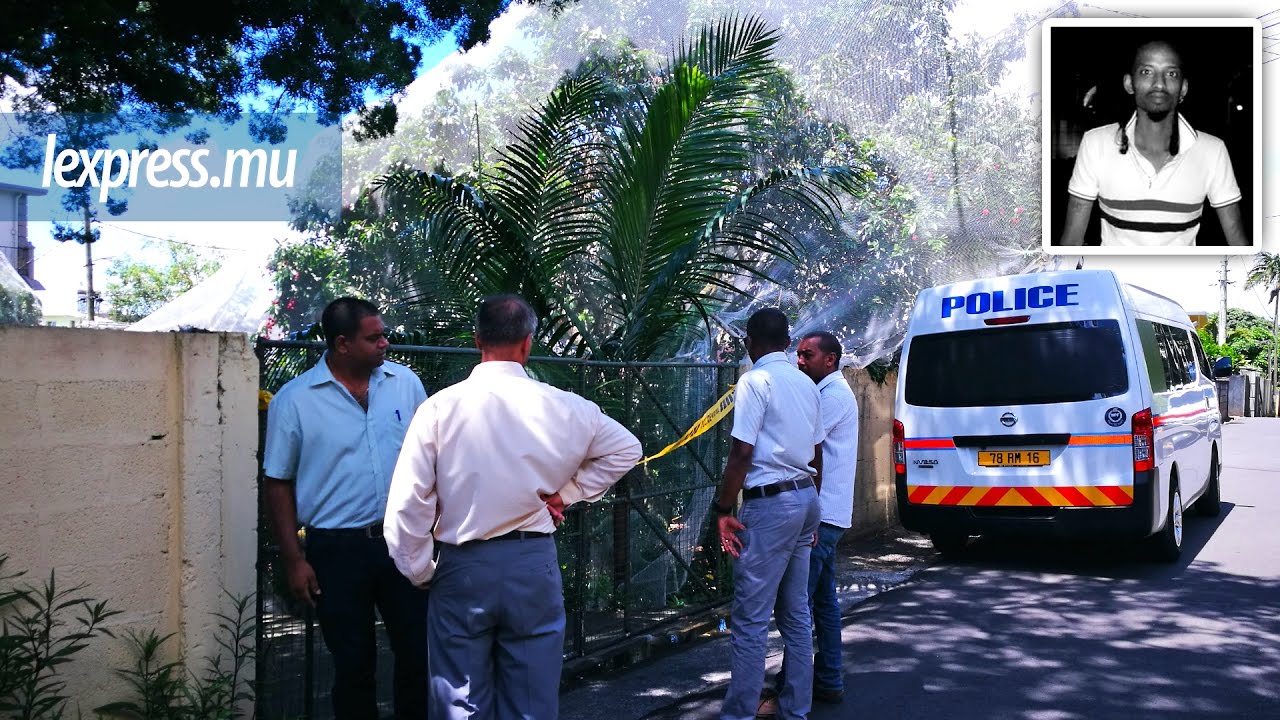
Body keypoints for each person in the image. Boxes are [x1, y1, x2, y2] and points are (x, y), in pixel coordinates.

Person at [384, 293, 642, 720]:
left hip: (463, 566)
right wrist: (567, 493)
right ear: (527, 344)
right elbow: (626, 449)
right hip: (532, 562)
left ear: (476, 339)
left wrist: (420, 570)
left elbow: (409, 502)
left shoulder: (439, 408)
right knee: (531, 700)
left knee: (460, 701)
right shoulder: (567, 407)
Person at [262, 297, 430, 720]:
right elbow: (278, 481)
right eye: (374, 337)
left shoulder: (405, 384)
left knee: (419, 654)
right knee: (353, 665)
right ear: (341, 344)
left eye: (383, 334)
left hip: (403, 542)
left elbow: (432, 458)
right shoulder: (295, 400)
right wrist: (293, 559)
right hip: (337, 552)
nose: (385, 343)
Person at [715, 308, 823, 720]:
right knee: (796, 613)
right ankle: (796, 710)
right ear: (788, 342)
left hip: (771, 503)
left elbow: (741, 453)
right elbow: (817, 453)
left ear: (750, 342)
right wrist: (813, 509)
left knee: (751, 618)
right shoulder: (808, 384)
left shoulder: (755, 381)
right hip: (804, 499)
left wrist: (724, 509)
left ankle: (739, 713)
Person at [758, 331, 860, 717]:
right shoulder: (828, 392)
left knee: (796, 608)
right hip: (829, 512)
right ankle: (829, 679)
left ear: (830, 360)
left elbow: (799, 440)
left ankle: (789, 687)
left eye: (807, 355)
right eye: (798, 354)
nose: (799, 361)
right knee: (822, 604)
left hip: (821, 515)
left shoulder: (830, 396)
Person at [1059, 39, 1248, 248]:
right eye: (1147, 72)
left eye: (1171, 74)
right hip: (1114, 279)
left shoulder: (1213, 151)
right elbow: (1071, 243)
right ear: (1129, 84)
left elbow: (1239, 245)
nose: (1159, 83)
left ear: (1183, 88)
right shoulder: (1095, 143)